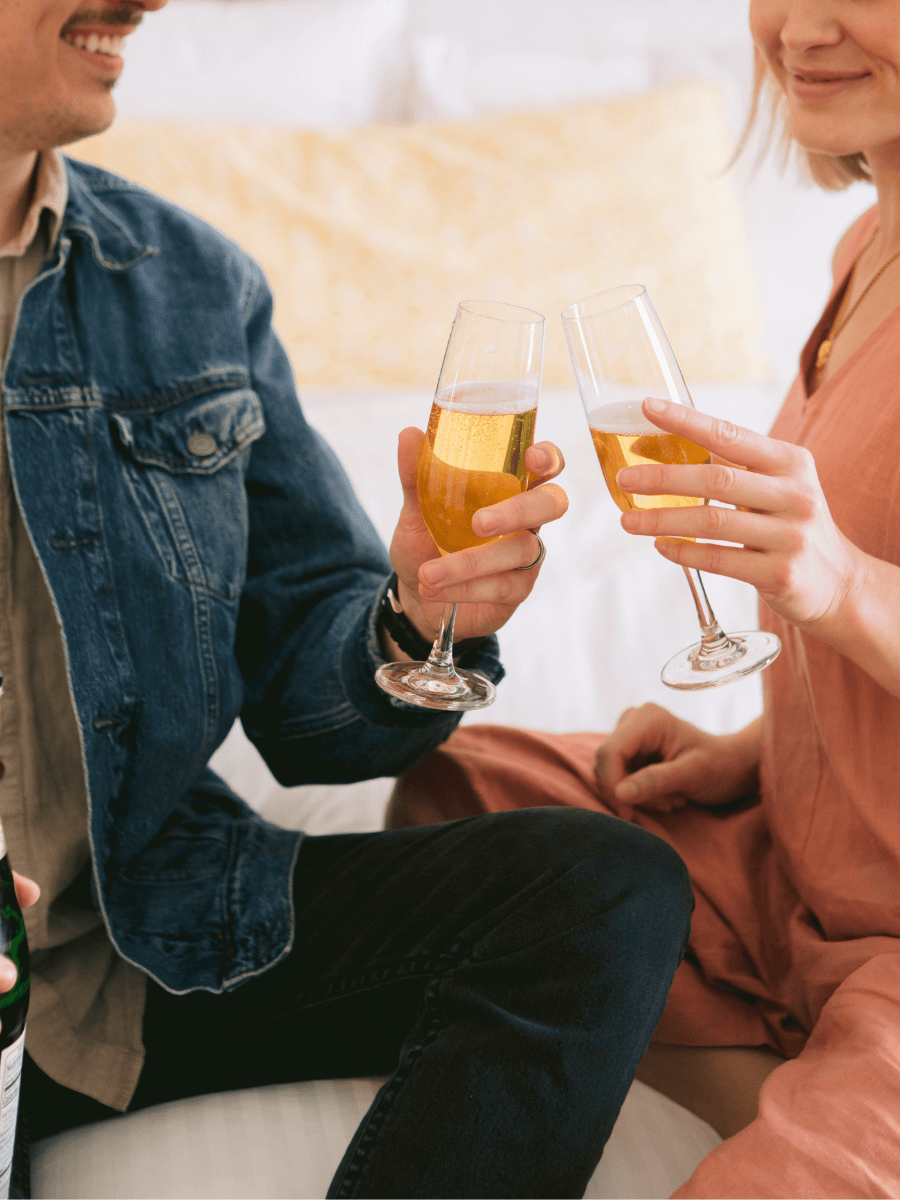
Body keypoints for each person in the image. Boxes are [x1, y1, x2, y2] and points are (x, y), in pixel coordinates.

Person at [0, 2, 697, 1196]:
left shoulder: (189, 286)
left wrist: (425, 616)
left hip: (153, 941)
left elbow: (303, 705)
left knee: (600, 890)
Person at [390, 1, 900, 1196]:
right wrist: (769, 749)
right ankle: (791, 1074)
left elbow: (852, 574)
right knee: (459, 790)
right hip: (795, 866)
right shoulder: (866, 247)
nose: (799, 29)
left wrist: (843, 582)